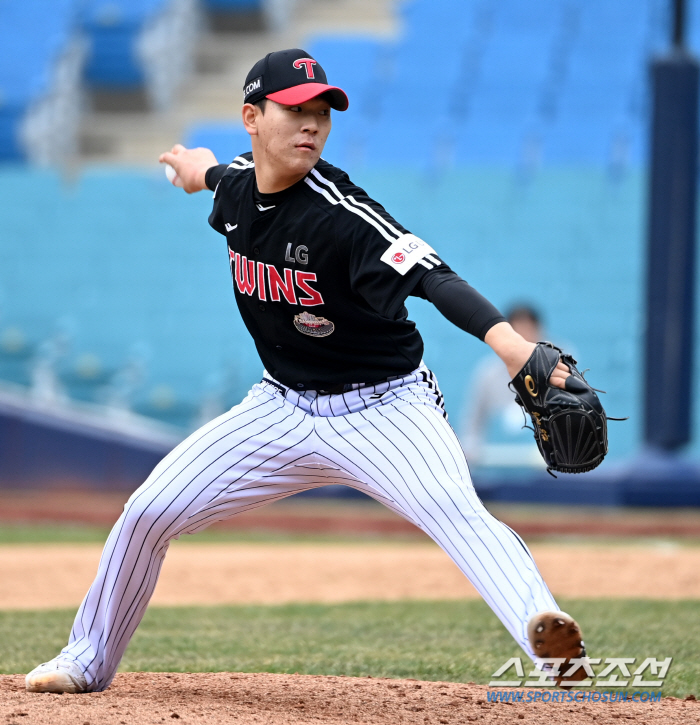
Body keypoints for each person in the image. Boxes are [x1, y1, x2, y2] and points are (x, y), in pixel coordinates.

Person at [25, 49, 586, 694]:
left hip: (385, 411)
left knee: (457, 515)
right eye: (295, 110)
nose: (311, 124)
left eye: (322, 112)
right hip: (282, 407)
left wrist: (514, 351)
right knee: (147, 511)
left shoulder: (343, 215)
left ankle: (553, 647)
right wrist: (189, 168)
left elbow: (435, 278)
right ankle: (86, 659)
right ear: (251, 117)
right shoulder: (238, 184)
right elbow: (216, 175)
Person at [461, 305, 547, 467]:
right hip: (495, 463)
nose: (524, 336)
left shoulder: (556, 369)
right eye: (518, 331)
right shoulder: (488, 373)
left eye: (528, 330)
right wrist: (472, 449)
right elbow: (473, 420)